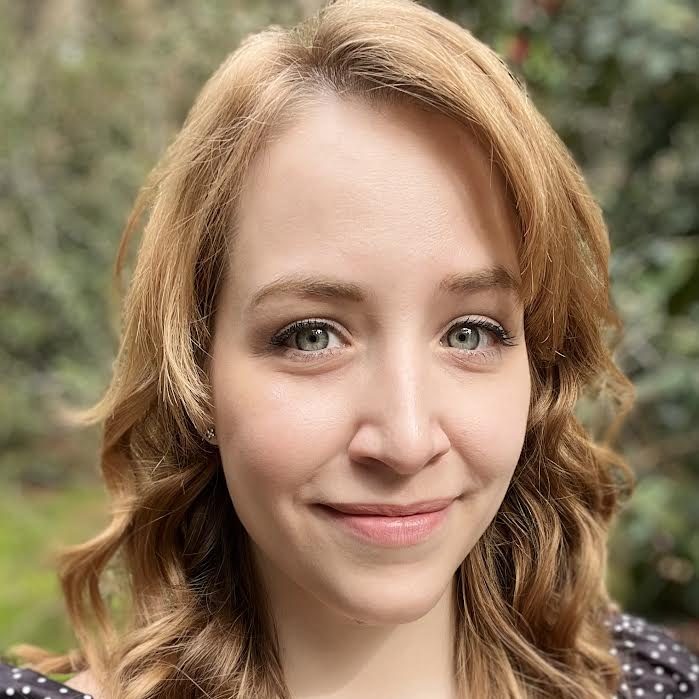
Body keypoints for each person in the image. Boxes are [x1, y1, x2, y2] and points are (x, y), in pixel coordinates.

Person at [2, 0, 697, 697]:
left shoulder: (653, 682)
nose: (406, 441)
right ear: (197, 371)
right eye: (312, 336)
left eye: (470, 332)